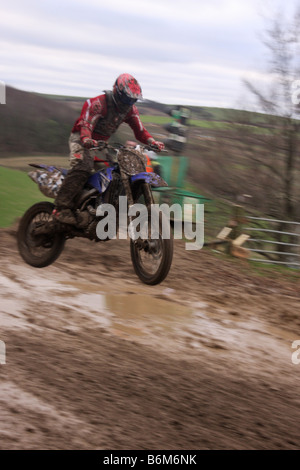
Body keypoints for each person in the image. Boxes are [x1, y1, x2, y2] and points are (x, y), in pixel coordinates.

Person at [54, 73, 165, 225]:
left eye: (133, 99)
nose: (129, 102)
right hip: (81, 139)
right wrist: (86, 139)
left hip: (100, 144)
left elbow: (140, 131)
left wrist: (152, 141)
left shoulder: (130, 110)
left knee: (113, 173)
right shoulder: (98, 103)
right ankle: (62, 208)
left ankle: (99, 208)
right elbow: (86, 124)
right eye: (127, 98)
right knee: (84, 166)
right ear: (118, 93)